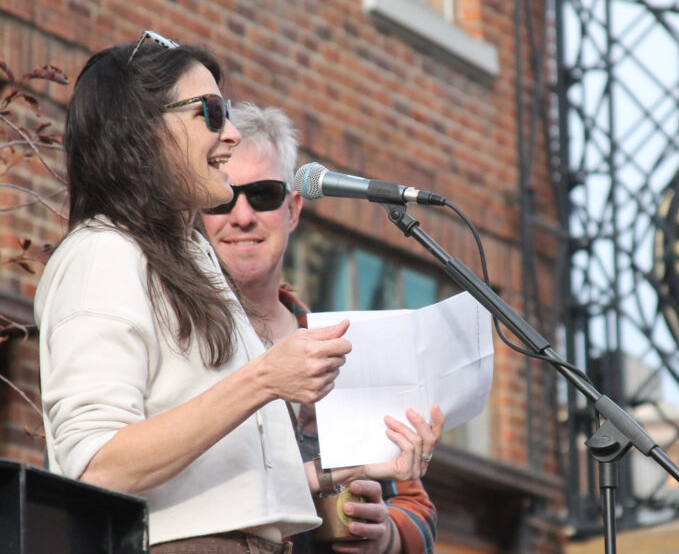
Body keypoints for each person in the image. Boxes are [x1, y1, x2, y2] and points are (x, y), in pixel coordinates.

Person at [35, 31, 442, 554]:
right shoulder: (102, 254)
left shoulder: (189, 260)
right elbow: (95, 466)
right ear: (143, 130)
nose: (229, 135)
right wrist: (266, 378)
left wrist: (363, 468)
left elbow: (233, 487)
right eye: (210, 112)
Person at [201, 102, 441, 554]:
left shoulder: (342, 348)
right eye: (223, 198)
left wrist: (386, 534)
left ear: (293, 210)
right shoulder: (183, 338)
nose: (243, 215)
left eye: (265, 195)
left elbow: (419, 509)